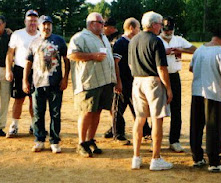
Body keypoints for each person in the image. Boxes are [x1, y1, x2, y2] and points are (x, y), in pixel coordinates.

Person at [128, 11, 173, 171]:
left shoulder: (133, 40)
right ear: (154, 24)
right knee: (157, 119)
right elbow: (161, 68)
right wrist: (168, 88)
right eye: (160, 24)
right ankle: (155, 158)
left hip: (137, 81)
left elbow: (131, 65)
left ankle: (136, 157)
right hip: (153, 81)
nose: (161, 27)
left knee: (139, 119)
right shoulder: (156, 41)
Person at [67, 12, 116, 157]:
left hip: (104, 81)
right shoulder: (80, 37)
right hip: (89, 82)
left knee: (97, 111)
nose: (103, 25)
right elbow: (72, 55)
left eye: (103, 23)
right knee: (86, 112)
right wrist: (92, 56)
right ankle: (81, 143)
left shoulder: (104, 37)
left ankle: (90, 140)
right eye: (100, 22)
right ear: (91, 23)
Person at [189, 30, 221, 172]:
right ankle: (214, 162)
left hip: (197, 91)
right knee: (214, 128)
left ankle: (197, 157)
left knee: (196, 126)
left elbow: (191, 68)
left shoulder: (199, 50)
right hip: (214, 93)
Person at [23, 15, 70, 154]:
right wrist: (25, 80)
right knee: (38, 113)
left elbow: (67, 61)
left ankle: (55, 141)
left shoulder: (59, 41)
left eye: (49, 24)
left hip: (55, 83)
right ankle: (39, 140)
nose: (47, 27)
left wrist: (65, 78)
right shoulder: (33, 42)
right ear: (39, 26)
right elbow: (28, 62)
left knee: (55, 113)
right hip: (38, 83)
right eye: (44, 24)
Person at [158, 16, 196, 153]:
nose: (168, 32)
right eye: (166, 29)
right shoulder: (157, 40)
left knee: (176, 109)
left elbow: (194, 49)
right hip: (159, 76)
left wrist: (181, 50)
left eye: (170, 30)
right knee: (157, 109)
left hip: (174, 75)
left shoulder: (178, 40)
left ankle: (174, 140)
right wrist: (164, 52)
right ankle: (155, 139)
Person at [112, 17, 151, 145]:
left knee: (138, 106)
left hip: (134, 80)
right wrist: (118, 81)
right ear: (131, 28)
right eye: (138, 28)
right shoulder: (120, 43)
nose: (140, 30)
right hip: (123, 80)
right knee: (118, 108)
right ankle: (118, 134)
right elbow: (115, 63)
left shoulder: (135, 42)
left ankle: (145, 131)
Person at [5, 9, 39, 138]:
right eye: (30, 20)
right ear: (25, 21)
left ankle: (34, 125)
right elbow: (10, 53)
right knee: (19, 99)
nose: (32, 23)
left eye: (35, 21)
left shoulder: (41, 35)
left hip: (36, 71)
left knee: (34, 100)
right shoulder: (17, 34)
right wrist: (9, 70)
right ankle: (14, 126)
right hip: (20, 69)